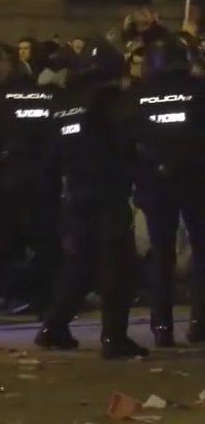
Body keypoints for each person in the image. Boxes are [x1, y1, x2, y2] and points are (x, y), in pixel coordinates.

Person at [35, 39, 148, 359]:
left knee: (80, 267)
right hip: (107, 192)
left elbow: (50, 160)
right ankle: (113, 338)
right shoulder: (110, 99)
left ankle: (52, 327)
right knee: (117, 267)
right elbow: (132, 136)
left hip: (74, 196)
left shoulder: (64, 103)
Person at [123, 35, 205, 347]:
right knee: (201, 252)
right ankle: (199, 324)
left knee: (161, 254)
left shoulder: (139, 95)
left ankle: (162, 328)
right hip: (195, 182)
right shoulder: (199, 90)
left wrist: (144, 173)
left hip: (154, 185)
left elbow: (127, 142)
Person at [0, 55, 60, 323]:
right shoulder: (48, 96)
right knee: (46, 241)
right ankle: (47, 305)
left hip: (9, 174)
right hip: (44, 173)